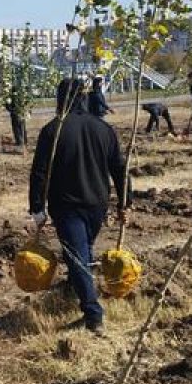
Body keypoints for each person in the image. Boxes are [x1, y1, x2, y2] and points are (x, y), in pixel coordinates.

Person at [29, 78, 130, 335]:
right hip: (98, 203)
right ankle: (74, 288)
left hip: (66, 206)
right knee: (81, 251)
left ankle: (93, 314)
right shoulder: (103, 129)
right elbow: (121, 170)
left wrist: (37, 208)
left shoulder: (53, 130)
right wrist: (125, 201)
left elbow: (39, 173)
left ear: (61, 98)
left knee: (78, 257)